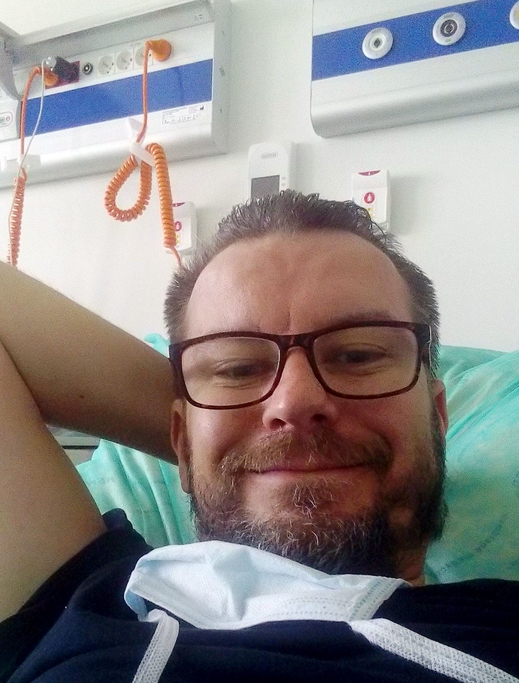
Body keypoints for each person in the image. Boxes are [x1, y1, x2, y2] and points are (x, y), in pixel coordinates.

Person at [0, 191, 517, 683]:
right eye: (237, 368)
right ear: (179, 442)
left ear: (438, 419)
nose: (294, 402)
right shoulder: (89, 607)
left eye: (358, 355)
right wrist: (222, 446)